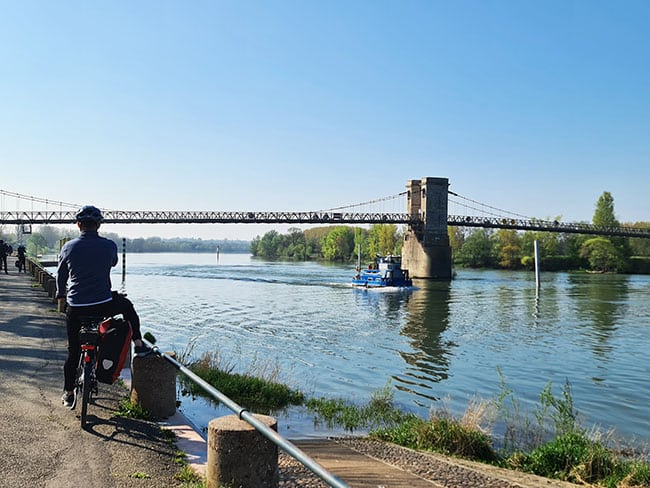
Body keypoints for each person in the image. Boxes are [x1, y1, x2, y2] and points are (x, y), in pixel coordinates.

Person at [56, 205, 150, 409]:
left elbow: (61, 276)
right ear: (98, 225)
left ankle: (68, 392)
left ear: (78, 224)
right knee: (127, 307)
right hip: (102, 304)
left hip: (76, 306)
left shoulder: (68, 247)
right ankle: (139, 344)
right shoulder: (109, 246)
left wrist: (61, 295)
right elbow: (114, 263)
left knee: (73, 352)